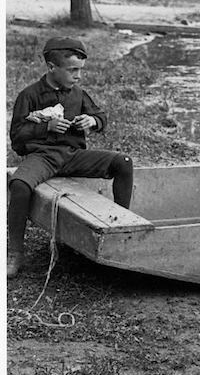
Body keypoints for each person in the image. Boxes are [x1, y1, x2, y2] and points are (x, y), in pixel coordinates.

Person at [7, 37, 134, 277]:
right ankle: (14, 253)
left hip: (73, 156)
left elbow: (101, 115)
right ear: (51, 67)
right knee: (20, 185)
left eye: (80, 70)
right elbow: (17, 139)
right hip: (42, 158)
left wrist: (93, 121)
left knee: (123, 162)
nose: (78, 76)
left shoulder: (78, 94)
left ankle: (119, 233)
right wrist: (46, 127)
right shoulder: (30, 95)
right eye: (72, 70)